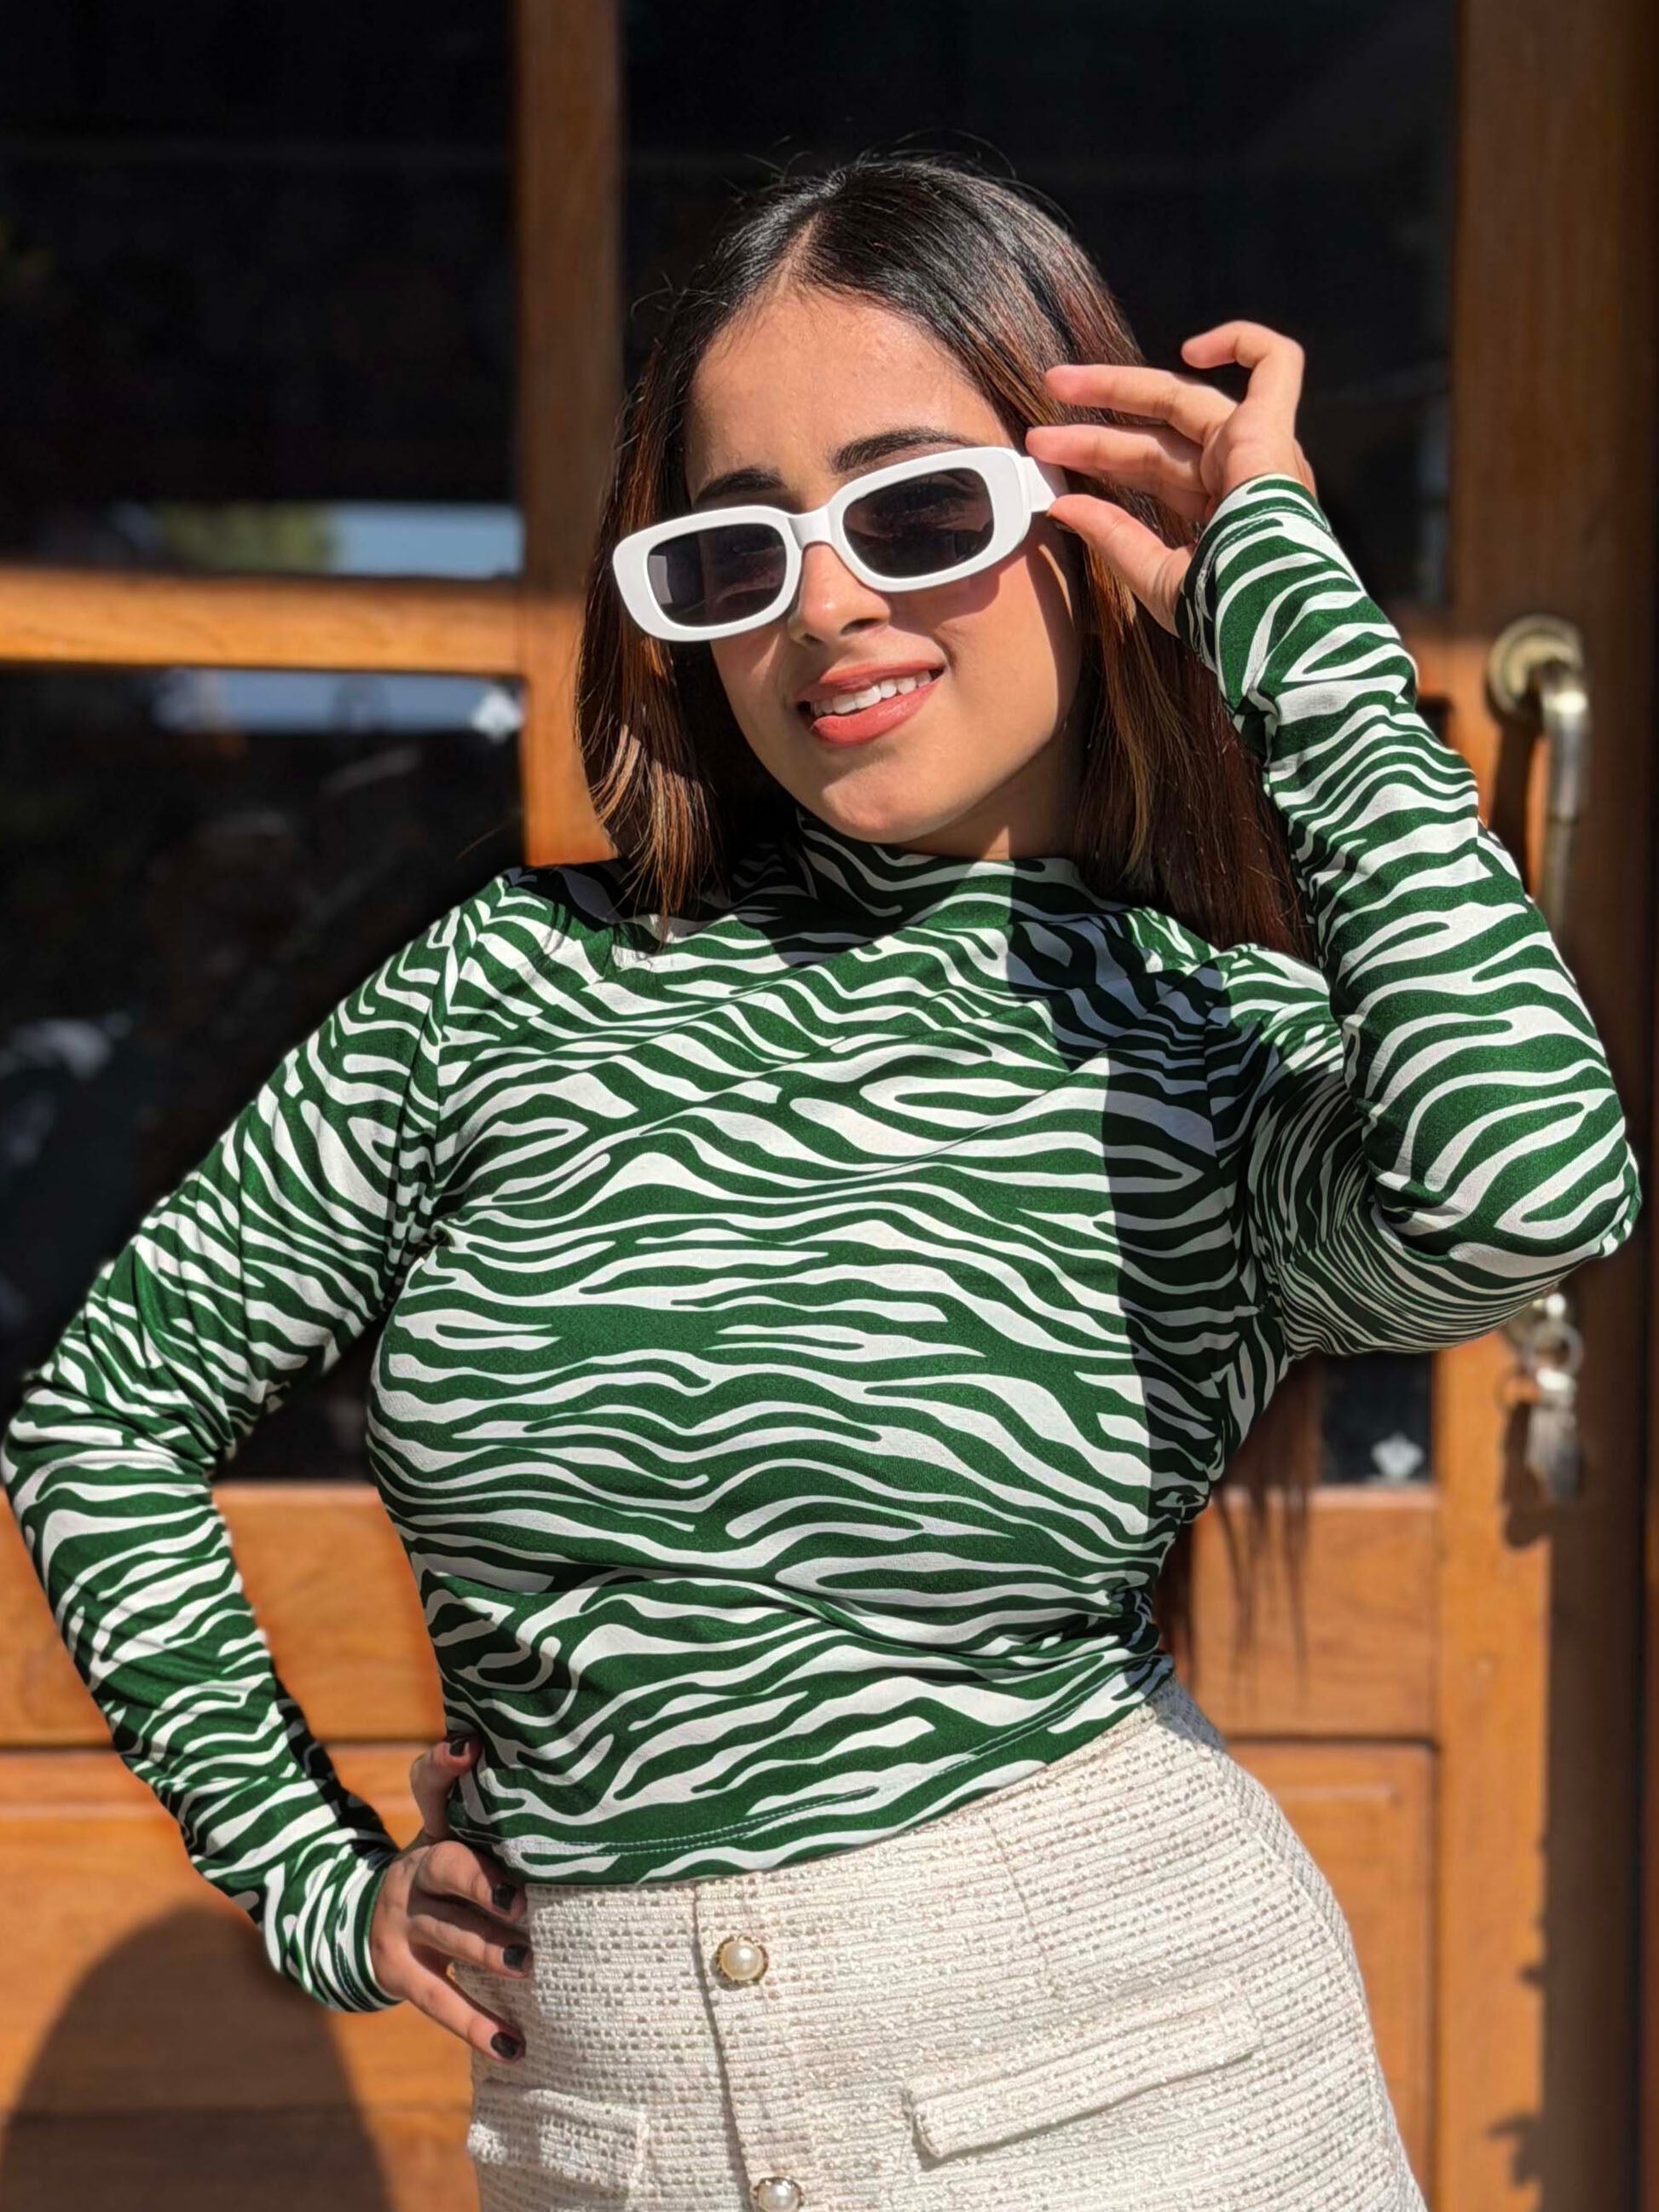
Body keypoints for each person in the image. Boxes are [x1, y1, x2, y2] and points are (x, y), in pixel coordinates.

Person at [1, 152, 1639, 2212]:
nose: (828, 606)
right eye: (735, 550)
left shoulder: (1205, 1045)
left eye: (918, 512)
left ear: (1087, 519)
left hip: (1141, 2103)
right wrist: (307, 1872)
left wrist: (1289, 618)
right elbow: (101, 1419)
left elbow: (1528, 1184)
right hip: (612, 2140)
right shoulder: (506, 989)